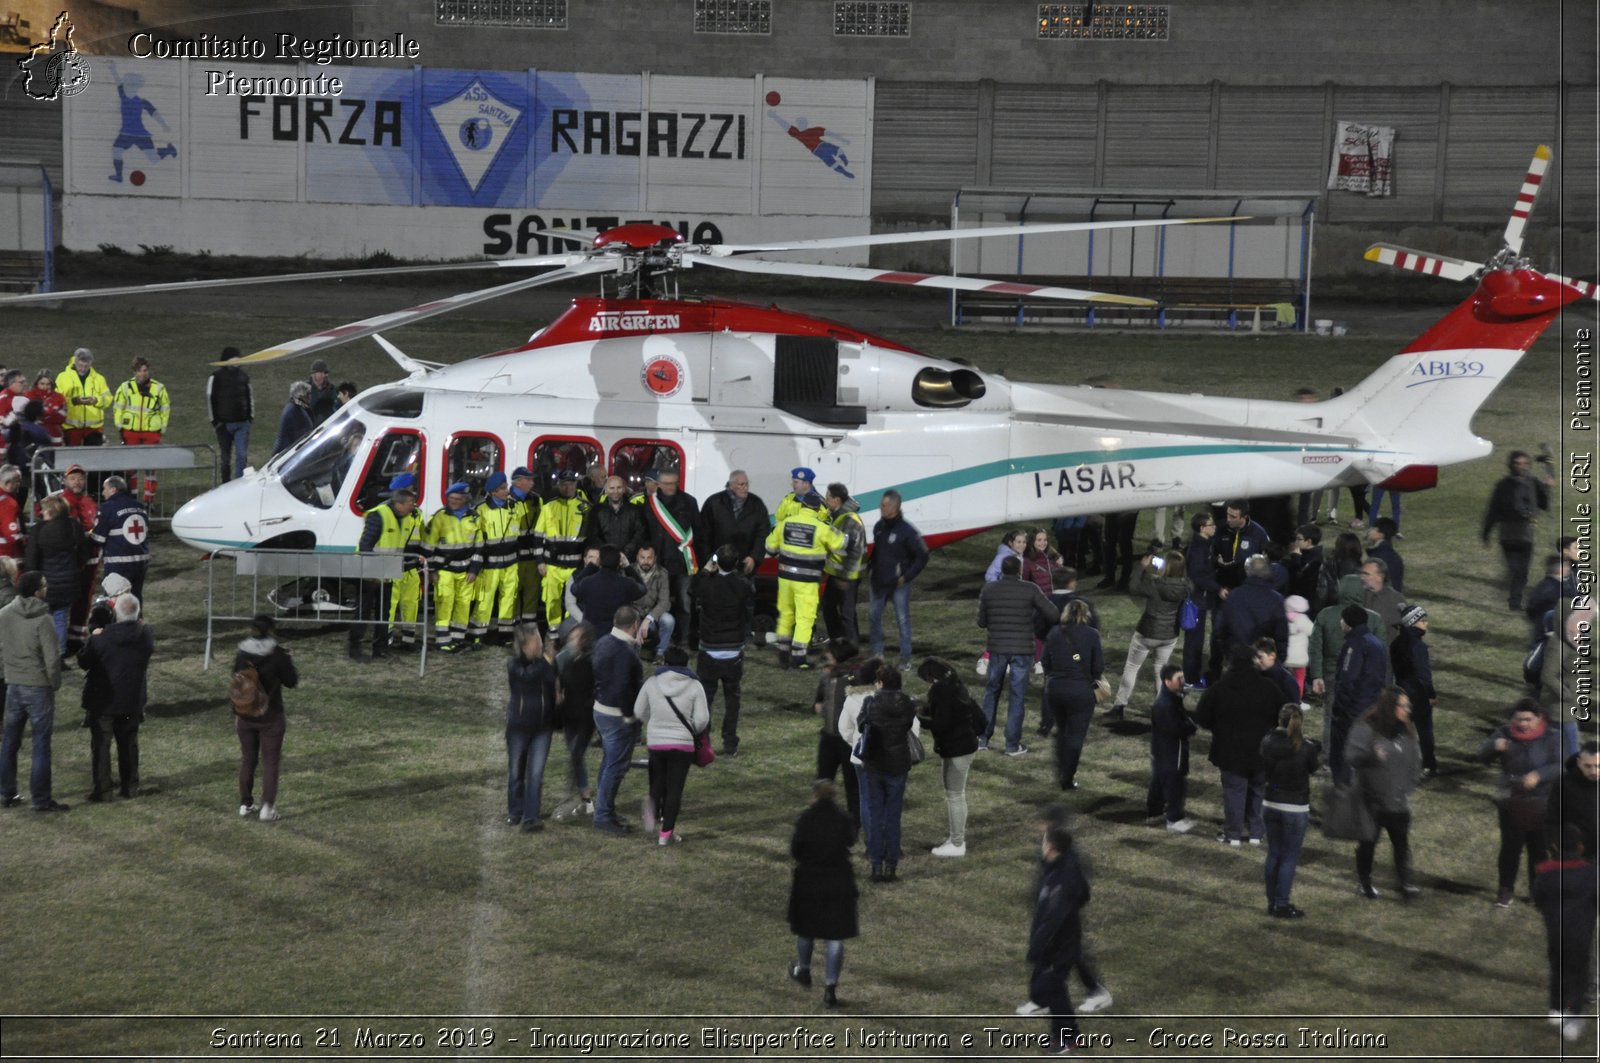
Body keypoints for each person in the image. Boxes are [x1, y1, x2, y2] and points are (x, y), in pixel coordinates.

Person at [1477, 697, 1564, 908]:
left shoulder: (1553, 737)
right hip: (1511, 802)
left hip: (1542, 803)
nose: (1523, 724)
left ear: (1539, 718)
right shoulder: (1504, 733)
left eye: (1528, 719)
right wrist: (1494, 747)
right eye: (1519, 719)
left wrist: (1538, 775)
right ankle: (1505, 890)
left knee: (1539, 850)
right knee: (1510, 849)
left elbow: (1561, 765)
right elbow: (1481, 757)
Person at [1194, 645, 1283, 846]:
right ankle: (1255, 833)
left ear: (1230, 663)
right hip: (1262, 750)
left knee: (1234, 791)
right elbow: (1282, 714)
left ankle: (1233, 834)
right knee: (1258, 789)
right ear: (1253, 662)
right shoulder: (1268, 687)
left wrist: (1219, 729)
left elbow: (1202, 717)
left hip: (1230, 750)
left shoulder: (1219, 688)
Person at [786, 780, 858, 1010]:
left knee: (806, 928)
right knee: (835, 936)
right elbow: (851, 840)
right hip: (839, 880)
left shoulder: (806, 818)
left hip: (810, 880)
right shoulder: (843, 818)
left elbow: (795, 850)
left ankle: (804, 969)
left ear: (815, 796)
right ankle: (830, 989)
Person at [977, 554, 1059, 754]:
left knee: (991, 693)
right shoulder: (1030, 589)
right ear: (1020, 571)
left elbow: (981, 621)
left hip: (997, 648)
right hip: (1022, 650)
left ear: (1003, 570)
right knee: (1017, 696)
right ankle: (1012, 745)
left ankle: (982, 739)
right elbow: (1053, 614)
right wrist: (1032, 618)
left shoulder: (989, 589)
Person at [1346, 687, 1422, 900]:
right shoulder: (1366, 728)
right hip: (1371, 801)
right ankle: (1365, 883)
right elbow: (1351, 755)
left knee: (1401, 844)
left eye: (1408, 705)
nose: (1408, 709)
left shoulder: (1406, 731)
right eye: (1403, 705)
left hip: (1398, 801)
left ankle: (1404, 882)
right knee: (1367, 844)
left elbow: (1415, 762)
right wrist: (1370, 755)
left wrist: (1407, 787)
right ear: (1391, 706)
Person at [0, 571, 66, 812]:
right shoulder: (44, 619)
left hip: (13, 685)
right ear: (38, 591)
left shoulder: (5, 614)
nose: (47, 588)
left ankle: (6, 793)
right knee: (40, 744)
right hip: (38, 687)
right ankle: (41, 800)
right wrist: (54, 683)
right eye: (44, 585)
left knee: (9, 742)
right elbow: (52, 659)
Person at [847, 665, 920, 882]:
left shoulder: (871, 703)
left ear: (880, 683)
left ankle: (876, 867)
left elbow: (861, 727)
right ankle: (891, 867)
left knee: (876, 816)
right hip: (897, 766)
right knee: (893, 816)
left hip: (875, 766)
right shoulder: (907, 703)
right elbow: (908, 725)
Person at [1026, 824, 1093, 1055]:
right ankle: (1062, 1035)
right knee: (1050, 990)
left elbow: (1051, 922)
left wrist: (1036, 949)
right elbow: (1084, 893)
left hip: (1058, 946)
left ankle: (1070, 1038)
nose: (1041, 845)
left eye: (1044, 841)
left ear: (1052, 848)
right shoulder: (1061, 867)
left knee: (1050, 989)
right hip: (1062, 942)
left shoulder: (1059, 884)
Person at [78, 593, 153, 802]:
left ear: (116, 613)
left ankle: (103, 790)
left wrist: (93, 636)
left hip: (104, 703)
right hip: (132, 701)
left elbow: (83, 661)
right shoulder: (146, 634)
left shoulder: (101, 639)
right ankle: (130, 786)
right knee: (129, 742)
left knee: (101, 745)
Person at [634, 644, 711, 846]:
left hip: (657, 742)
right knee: (675, 789)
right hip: (683, 745)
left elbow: (638, 710)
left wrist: (654, 723)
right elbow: (703, 719)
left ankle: (652, 811)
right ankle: (665, 835)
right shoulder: (695, 686)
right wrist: (690, 729)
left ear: (666, 662)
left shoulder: (652, 683)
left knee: (657, 781)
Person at [1532, 825, 1598, 1042]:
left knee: (1557, 966)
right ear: (1580, 847)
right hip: (1581, 931)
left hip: (1555, 928)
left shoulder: (1544, 870)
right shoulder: (1590, 872)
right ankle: (1572, 1018)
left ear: (1554, 845)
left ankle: (1556, 1009)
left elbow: (1538, 898)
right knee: (1578, 974)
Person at [766, 491, 845, 670]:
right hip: (807, 581)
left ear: (802, 506)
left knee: (786, 614)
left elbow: (769, 547)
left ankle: (783, 654)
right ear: (817, 509)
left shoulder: (785, 523)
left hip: (785, 578)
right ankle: (798, 659)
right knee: (805, 617)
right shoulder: (821, 527)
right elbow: (840, 543)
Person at [916, 657, 985, 857]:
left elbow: (942, 724)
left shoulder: (941, 691)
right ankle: (955, 838)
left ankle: (957, 843)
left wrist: (919, 720)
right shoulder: (954, 683)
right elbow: (952, 711)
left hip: (958, 748)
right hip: (963, 745)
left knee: (955, 796)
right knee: (953, 794)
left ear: (931, 676)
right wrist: (925, 709)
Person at [1109, 549, 1189, 719]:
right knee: (1161, 671)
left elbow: (1133, 586)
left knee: (1132, 667)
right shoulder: (1186, 586)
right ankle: (1162, 709)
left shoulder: (1155, 584)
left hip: (1147, 632)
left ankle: (1120, 705)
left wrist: (1142, 567)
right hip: (1169, 634)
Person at [232, 614, 297, 822]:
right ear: (271, 630)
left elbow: (235, 677)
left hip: (245, 714)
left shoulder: (242, 653)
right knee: (270, 762)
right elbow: (291, 681)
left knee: (248, 759)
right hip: (271, 714)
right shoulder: (277, 654)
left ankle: (245, 803)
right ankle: (267, 808)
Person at [1259, 703, 1321, 917]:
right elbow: (1313, 767)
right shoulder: (1305, 747)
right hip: (1295, 807)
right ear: (1300, 723)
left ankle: (1271, 902)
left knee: (1274, 853)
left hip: (1270, 802)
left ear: (1279, 720)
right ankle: (1281, 904)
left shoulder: (1267, 742)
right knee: (1288, 857)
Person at [692, 544, 754, 756]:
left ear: (716, 562)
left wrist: (706, 570)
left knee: (706, 699)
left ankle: (703, 742)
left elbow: (692, 588)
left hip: (709, 650)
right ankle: (730, 744)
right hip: (733, 651)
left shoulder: (707, 584)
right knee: (732, 699)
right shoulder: (743, 585)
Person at [590, 604, 646, 836]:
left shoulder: (603, 641)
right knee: (615, 767)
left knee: (609, 764)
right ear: (634, 625)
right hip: (617, 717)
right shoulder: (625, 651)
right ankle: (603, 816)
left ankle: (605, 810)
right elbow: (624, 688)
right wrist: (630, 715)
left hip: (601, 712)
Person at [351, 480, 421, 660]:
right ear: (398, 503)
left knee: (383, 614)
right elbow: (365, 545)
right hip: (370, 575)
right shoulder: (379, 515)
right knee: (363, 613)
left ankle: (380, 649)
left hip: (388, 575)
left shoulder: (405, 518)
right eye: (410, 504)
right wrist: (373, 571)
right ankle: (355, 649)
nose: (412, 508)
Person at [1040, 599, 1103, 790]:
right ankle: (1067, 777)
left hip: (1055, 689)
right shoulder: (1092, 635)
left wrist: (1054, 675)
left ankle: (1061, 769)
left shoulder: (1054, 632)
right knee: (1075, 736)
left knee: (1061, 731)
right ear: (1086, 614)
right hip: (1081, 692)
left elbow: (1044, 661)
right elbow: (1098, 667)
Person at [1324, 604, 1389, 785]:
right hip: (1372, 708)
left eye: (1343, 619)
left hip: (1352, 711)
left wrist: (1340, 708)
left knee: (1343, 755)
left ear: (1349, 623)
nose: (1340, 622)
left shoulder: (1354, 645)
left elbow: (1347, 679)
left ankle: (1343, 792)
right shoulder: (1378, 644)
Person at [1482, 450, 1553, 610]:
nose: (1522, 467)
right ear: (1511, 465)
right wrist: (1486, 532)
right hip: (1507, 534)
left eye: (1525, 464)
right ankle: (1514, 598)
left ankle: (1515, 602)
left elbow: (1545, 505)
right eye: (1518, 464)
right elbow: (1493, 510)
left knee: (1522, 572)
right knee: (1515, 570)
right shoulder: (1502, 485)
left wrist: (1547, 488)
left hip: (1526, 534)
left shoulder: (1533, 483)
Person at [504, 624, 558, 832]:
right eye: (537, 640)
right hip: (518, 728)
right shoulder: (514, 665)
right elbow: (529, 677)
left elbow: (553, 682)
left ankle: (531, 816)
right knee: (517, 771)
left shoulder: (545, 663)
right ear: (525, 645)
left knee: (535, 773)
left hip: (543, 728)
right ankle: (515, 811)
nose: (541, 643)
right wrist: (547, 661)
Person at [867, 489, 928, 669]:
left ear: (893, 507)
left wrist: (907, 576)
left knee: (902, 620)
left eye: (883, 505)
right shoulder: (879, 526)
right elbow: (878, 552)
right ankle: (877, 653)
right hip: (878, 582)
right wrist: (870, 568)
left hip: (898, 584)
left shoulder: (907, 531)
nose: (880, 507)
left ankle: (905, 659)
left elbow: (922, 556)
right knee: (873, 616)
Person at [641, 469, 698, 647]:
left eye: (673, 483)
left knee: (684, 603)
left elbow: (700, 531)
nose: (670, 487)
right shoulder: (649, 504)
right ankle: (658, 641)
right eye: (666, 484)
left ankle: (683, 640)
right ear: (658, 484)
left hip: (682, 564)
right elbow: (644, 533)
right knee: (657, 603)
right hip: (658, 564)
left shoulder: (689, 502)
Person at [813, 640, 862, 837]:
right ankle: (823, 821)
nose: (827, 656)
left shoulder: (855, 677)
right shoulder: (828, 675)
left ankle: (853, 825)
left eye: (830, 653)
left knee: (853, 786)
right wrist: (820, 706)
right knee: (823, 781)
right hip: (828, 737)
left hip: (848, 741)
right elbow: (818, 699)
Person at [26, 494, 89, 650]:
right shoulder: (74, 526)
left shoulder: (38, 529)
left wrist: (31, 581)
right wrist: (74, 569)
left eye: (44, 510)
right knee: (60, 619)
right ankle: (60, 653)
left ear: (51, 511)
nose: (41, 513)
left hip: (45, 585)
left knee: (43, 620)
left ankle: (44, 653)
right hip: (68, 583)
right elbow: (84, 554)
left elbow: (32, 559)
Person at [424, 483, 481, 652]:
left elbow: (479, 547)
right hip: (444, 570)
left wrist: (474, 569)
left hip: (466, 570)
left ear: (465, 499)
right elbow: (428, 546)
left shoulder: (475, 518)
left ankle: (457, 638)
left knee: (463, 605)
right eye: (451, 499)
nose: (453, 502)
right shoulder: (439, 517)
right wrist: (433, 570)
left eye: (457, 499)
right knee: (444, 603)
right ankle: (442, 641)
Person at [470, 472, 523, 645]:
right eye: (502, 489)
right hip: (490, 564)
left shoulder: (516, 507)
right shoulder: (481, 510)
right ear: (493, 492)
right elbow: (478, 540)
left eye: (506, 487)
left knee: (508, 599)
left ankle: (505, 635)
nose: (506, 491)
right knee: (485, 599)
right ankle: (478, 634)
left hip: (511, 562)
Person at [552, 623, 597, 821]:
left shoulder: (591, 662)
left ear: (584, 640)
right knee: (574, 755)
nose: (571, 641)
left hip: (586, 718)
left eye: (576, 637)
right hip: (570, 716)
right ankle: (585, 798)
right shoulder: (565, 660)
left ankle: (576, 800)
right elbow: (558, 684)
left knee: (576, 755)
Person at [111, 356, 169, 505]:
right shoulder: (125, 387)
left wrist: (162, 426)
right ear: (134, 372)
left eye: (145, 370)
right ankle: (132, 499)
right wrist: (119, 425)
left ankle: (148, 501)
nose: (143, 374)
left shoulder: (158, 387)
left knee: (150, 469)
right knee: (131, 469)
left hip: (151, 432)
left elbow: (165, 408)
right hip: (131, 431)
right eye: (139, 371)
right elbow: (118, 407)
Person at [537, 470, 590, 631]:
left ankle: (568, 632)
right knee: (551, 600)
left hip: (575, 566)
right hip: (552, 565)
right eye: (564, 484)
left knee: (572, 603)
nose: (568, 487)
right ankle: (553, 631)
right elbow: (538, 537)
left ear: (576, 485)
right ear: (558, 485)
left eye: (571, 484)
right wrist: (539, 561)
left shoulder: (585, 508)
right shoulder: (548, 507)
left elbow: (590, 538)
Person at [1146, 664, 1196, 833]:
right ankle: (1175, 819)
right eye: (1179, 679)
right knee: (1175, 784)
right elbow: (1176, 728)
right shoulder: (1166, 704)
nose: (1183, 681)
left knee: (1159, 781)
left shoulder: (1170, 699)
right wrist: (1191, 726)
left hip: (1162, 750)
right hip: (1171, 751)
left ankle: (1154, 813)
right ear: (1167, 682)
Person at [1389, 604, 1438, 776]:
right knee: (1424, 731)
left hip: (1401, 692)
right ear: (1413, 622)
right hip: (1418, 694)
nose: (1426, 624)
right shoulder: (1418, 646)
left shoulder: (1395, 643)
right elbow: (1423, 674)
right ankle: (1428, 764)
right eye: (1423, 620)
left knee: (1401, 730)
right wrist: (1430, 694)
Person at [1214, 554, 1288, 663]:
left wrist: (1228, 652)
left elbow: (1220, 629)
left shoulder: (1234, 596)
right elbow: (1281, 633)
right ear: (1267, 572)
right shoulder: (1277, 599)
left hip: (1237, 658)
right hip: (1264, 661)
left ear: (1248, 572)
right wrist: (1280, 658)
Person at [820, 483, 867, 645]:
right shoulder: (839, 516)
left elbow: (853, 551)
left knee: (846, 613)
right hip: (838, 573)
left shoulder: (849, 520)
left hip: (848, 575)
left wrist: (845, 576)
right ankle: (839, 641)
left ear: (837, 500)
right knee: (829, 607)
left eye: (828, 497)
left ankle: (851, 646)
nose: (825, 501)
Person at [91, 475, 151, 601]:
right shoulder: (140, 507)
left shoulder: (108, 508)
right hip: (141, 561)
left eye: (104, 489)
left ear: (113, 490)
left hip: (118, 563)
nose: (102, 493)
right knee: (135, 598)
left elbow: (98, 538)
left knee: (115, 600)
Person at [697, 469, 768, 575]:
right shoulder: (714, 503)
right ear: (731, 485)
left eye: (747, 483)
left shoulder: (757, 504)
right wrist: (708, 560)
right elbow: (703, 534)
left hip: (744, 565)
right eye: (741, 484)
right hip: (716, 565)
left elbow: (763, 533)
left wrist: (754, 557)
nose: (746, 487)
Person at [572, 545, 647, 637]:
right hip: (617, 636)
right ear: (619, 562)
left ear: (599, 560)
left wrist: (592, 566)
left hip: (591, 636)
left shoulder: (588, 582)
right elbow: (643, 589)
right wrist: (628, 567)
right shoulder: (626, 584)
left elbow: (574, 588)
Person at [1546, 741, 1599, 866]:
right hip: (1574, 854)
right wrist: (1554, 845)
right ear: (1579, 763)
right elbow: (1551, 818)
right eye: (1588, 766)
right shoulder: (1563, 783)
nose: (1593, 771)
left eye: (1598, 766)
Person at [1182, 511, 1220, 686]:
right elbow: (1198, 576)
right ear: (1202, 528)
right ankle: (1191, 679)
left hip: (1201, 598)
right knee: (1194, 641)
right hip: (1197, 600)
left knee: (1197, 639)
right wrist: (1218, 589)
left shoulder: (1205, 544)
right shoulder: (1199, 549)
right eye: (1211, 525)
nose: (1214, 527)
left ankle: (1193, 675)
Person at [207, 346, 254, 482]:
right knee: (225, 459)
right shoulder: (216, 377)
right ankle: (226, 484)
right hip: (223, 425)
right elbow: (210, 398)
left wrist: (250, 417)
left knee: (241, 456)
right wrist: (215, 421)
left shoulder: (244, 376)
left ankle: (238, 484)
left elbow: (249, 396)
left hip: (242, 423)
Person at [508, 467, 545, 628]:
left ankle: (529, 628)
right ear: (518, 481)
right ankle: (513, 627)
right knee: (512, 593)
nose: (532, 483)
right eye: (528, 479)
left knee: (532, 593)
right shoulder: (506, 500)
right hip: (513, 557)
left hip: (531, 556)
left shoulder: (537, 500)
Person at [55, 348, 112, 448]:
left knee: (94, 459)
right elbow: (57, 400)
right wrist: (72, 401)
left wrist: (96, 400)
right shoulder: (62, 377)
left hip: (94, 428)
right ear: (75, 361)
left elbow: (108, 399)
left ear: (91, 363)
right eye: (81, 364)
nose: (83, 368)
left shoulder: (99, 379)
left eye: (86, 365)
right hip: (71, 427)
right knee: (72, 459)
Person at [582, 474, 645, 560]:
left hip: (629, 559)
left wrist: (626, 552)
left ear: (624, 489)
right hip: (604, 560)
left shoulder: (635, 510)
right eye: (612, 488)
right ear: (606, 490)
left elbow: (639, 534)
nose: (615, 491)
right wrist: (607, 553)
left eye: (619, 487)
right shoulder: (596, 510)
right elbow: (593, 535)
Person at [631, 544, 673, 659]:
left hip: (653, 616)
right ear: (637, 558)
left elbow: (665, 602)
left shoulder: (663, 573)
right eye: (642, 557)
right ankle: (633, 652)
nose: (646, 561)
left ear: (655, 558)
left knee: (668, 620)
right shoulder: (629, 572)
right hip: (634, 613)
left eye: (649, 558)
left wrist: (649, 618)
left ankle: (660, 653)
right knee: (629, 618)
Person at [272, 380, 315, 458]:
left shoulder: (297, 408)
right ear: (300, 395)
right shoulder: (294, 411)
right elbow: (301, 436)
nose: (310, 397)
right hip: (286, 454)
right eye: (307, 394)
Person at [1365, 517, 1405, 593]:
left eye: (1374, 529)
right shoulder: (1391, 554)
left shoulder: (1379, 556)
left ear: (1381, 534)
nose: (1369, 531)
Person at [1283, 594, 1313, 697]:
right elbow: (1312, 631)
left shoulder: (1282, 618)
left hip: (1285, 657)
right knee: (1299, 679)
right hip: (1300, 658)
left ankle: (1283, 698)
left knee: (1283, 679)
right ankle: (1297, 700)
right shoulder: (1303, 619)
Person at [26, 371, 66, 444]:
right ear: (37, 383)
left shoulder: (59, 397)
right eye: (42, 384)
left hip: (55, 434)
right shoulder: (29, 395)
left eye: (48, 384)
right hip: (35, 433)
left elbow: (62, 417)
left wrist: (42, 417)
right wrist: (50, 413)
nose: (45, 387)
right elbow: (29, 416)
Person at [0, 465, 24, 559]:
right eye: (17, 481)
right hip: (4, 555)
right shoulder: (8, 503)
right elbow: (11, 536)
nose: (19, 484)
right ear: (9, 482)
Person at [306, 360, 337, 426]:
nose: (324, 375)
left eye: (325, 373)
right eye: (321, 372)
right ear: (313, 374)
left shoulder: (331, 388)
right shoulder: (304, 389)